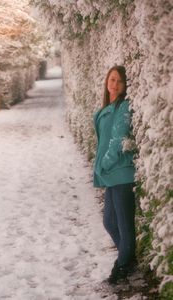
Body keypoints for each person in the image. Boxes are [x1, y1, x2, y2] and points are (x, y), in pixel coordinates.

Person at [93, 65, 136, 285]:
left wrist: (105, 163)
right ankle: (128, 260)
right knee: (110, 222)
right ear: (106, 82)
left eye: (119, 81)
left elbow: (119, 139)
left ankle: (122, 266)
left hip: (121, 173)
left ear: (125, 84)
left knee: (124, 225)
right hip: (112, 174)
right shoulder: (106, 107)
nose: (115, 84)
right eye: (112, 79)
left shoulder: (124, 107)